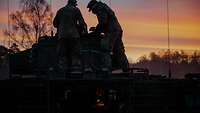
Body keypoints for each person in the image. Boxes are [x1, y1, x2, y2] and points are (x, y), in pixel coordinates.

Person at [87, 0, 129, 72]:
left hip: (111, 31)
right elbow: (105, 23)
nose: (93, 12)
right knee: (119, 50)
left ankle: (106, 69)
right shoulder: (103, 7)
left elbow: (103, 22)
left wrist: (96, 32)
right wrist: (96, 29)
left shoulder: (100, 8)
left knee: (105, 48)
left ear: (93, 6)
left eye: (91, 10)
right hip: (117, 30)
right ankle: (126, 69)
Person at [53, 0, 87, 73]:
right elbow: (82, 23)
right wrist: (82, 31)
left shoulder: (60, 10)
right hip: (74, 35)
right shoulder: (76, 10)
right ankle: (75, 70)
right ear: (73, 3)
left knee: (62, 54)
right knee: (75, 53)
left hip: (62, 36)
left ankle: (63, 71)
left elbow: (55, 23)